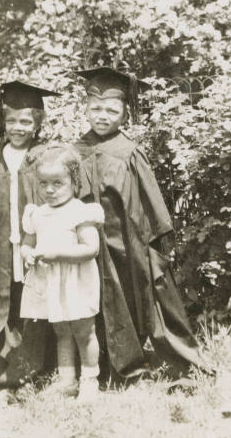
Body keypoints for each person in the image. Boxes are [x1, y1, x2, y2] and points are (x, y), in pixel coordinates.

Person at [73, 66, 203, 381]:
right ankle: (100, 368)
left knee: (133, 297)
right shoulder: (75, 151)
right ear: (85, 108)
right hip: (86, 244)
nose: (102, 115)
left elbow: (150, 202)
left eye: (111, 110)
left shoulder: (130, 152)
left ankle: (139, 365)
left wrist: (156, 244)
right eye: (95, 109)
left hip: (126, 242)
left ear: (124, 114)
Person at [0, 80, 60, 388]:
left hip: (36, 248)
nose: (18, 127)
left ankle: (33, 368)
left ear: (37, 123)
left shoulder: (45, 159)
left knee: (33, 302)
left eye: (25, 121)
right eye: (12, 120)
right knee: (2, 301)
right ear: (3, 122)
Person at [20, 143, 105, 402]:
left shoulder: (80, 211)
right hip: (51, 282)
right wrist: (27, 254)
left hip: (75, 281)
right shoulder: (37, 213)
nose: (49, 190)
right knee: (61, 331)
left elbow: (91, 249)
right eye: (43, 183)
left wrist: (57, 254)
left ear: (74, 181)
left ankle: (90, 381)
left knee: (82, 330)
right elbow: (27, 241)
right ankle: (67, 381)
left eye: (58, 183)